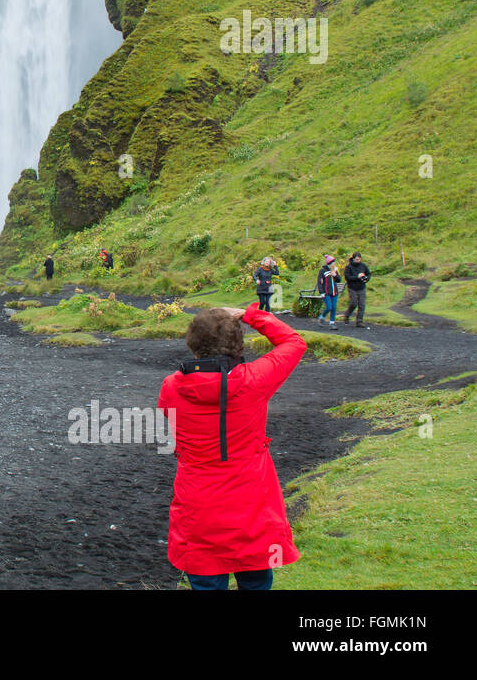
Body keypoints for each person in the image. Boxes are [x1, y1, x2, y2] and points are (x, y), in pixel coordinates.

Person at [159, 302, 306, 590]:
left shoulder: (171, 387)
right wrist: (251, 315)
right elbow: (293, 342)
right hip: (254, 507)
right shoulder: (254, 380)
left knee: (205, 582)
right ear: (238, 346)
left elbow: (168, 411)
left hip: (198, 508)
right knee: (256, 581)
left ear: (193, 345)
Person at [342, 253, 371, 328]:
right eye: (357, 259)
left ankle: (359, 321)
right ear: (353, 259)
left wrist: (366, 278)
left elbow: (368, 274)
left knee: (362, 304)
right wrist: (357, 277)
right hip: (352, 288)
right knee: (353, 303)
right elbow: (347, 277)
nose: (358, 261)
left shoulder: (363, 265)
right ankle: (347, 315)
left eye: (359, 259)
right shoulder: (349, 267)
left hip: (362, 287)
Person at [316, 256, 341, 328]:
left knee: (334, 307)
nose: (334, 264)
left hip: (334, 292)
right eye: (333, 262)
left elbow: (339, 280)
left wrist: (335, 275)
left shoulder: (335, 270)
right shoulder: (322, 271)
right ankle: (322, 316)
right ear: (329, 264)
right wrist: (321, 292)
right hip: (326, 293)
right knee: (329, 307)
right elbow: (319, 282)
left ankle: (332, 322)